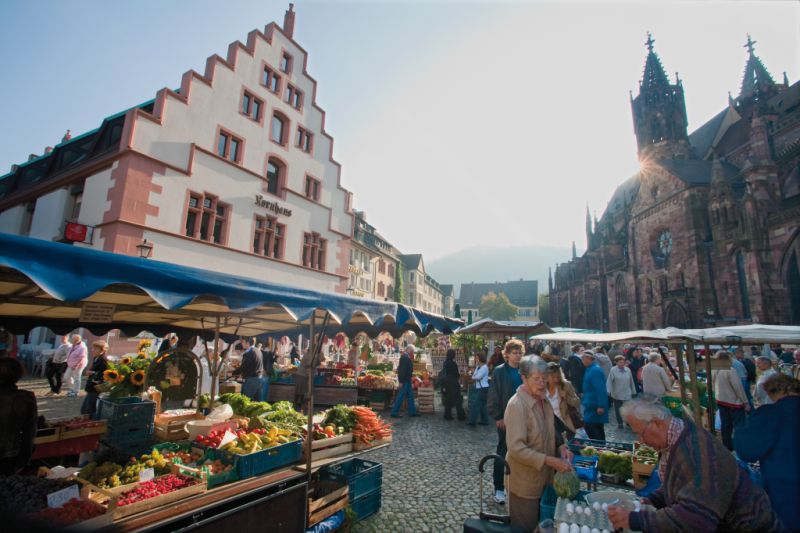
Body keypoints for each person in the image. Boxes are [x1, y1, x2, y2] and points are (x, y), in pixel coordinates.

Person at [608, 398, 783, 533]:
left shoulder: (694, 452)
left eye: (641, 433)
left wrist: (636, 519)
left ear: (658, 424)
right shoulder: (677, 438)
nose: (641, 441)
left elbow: (695, 518)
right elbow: (682, 484)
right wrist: (652, 500)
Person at [504, 355, 573, 532]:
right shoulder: (516, 405)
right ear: (523, 378)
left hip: (545, 479)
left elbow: (553, 429)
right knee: (525, 527)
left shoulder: (544, 400)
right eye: (536, 379)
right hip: (525, 483)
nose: (542, 383)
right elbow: (516, 449)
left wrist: (561, 446)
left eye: (544, 378)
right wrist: (550, 461)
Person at [735, 374, 800, 531]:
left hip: (784, 488)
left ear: (776, 391)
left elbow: (748, 450)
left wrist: (738, 433)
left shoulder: (771, 413)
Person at [487, 339, 524, 505]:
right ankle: (499, 488)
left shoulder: (525, 371)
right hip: (506, 418)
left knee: (521, 452)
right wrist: (497, 416)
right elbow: (493, 395)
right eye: (514, 353)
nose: (517, 356)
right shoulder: (499, 371)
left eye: (519, 353)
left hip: (523, 418)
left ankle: (518, 486)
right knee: (502, 452)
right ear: (507, 354)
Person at [0, 358, 37, 475]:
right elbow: (30, 433)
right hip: (11, 456)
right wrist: (24, 459)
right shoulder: (26, 398)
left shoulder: (26, 398)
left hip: (10, 454)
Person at [712, 351, 750, 451]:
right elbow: (738, 387)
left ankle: (727, 446)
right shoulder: (730, 370)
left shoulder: (715, 370)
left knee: (726, 425)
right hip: (733, 402)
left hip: (721, 400)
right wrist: (745, 402)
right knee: (739, 426)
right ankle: (740, 446)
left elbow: (712, 385)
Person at [545, 362, 581, 439]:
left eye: (558, 377)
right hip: (548, 427)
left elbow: (577, 402)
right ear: (546, 376)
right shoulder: (542, 388)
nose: (556, 380)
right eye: (553, 377)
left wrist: (566, 397)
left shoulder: (566, 385)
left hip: (565, 425)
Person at [580, 350, 608, 440]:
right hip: (590, 404)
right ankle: (602, 449)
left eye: (583, 358)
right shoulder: (591, 369)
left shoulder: (595, 370)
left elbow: (600, 389)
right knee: (597, 429)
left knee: (592, 429)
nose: (582, 360)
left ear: (589, 359)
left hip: (594, 406)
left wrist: (601, 406)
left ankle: (600, 449)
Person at [606, 355, 637, 429]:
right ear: (616, 363)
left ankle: (628, 422)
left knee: (628, 409)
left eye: (623, 362)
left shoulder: (628, 370)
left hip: (627, 392)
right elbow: (609, 381)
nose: (622, 364)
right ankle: (620, 423)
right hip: (617, 393)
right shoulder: (613, 370)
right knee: (618, 409)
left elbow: (631, 381)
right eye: (620, 362)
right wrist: (608, 391)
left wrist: (633, 391)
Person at [81, 340, 109, 418]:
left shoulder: (103, 360)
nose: (93, 350)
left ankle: (92, 423)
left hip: (96, 387)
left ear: (102, 350)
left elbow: (104, 374)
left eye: (95, 349)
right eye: (93, 348)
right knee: (85, 408)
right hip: (91, 386)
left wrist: (92, 373)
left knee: (90, 408)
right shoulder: (96, 358)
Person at [389, 345, 418, 418]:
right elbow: (402, 371)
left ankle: (412, 412)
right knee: (401, 396)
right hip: (405, 381)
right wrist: (401, 381)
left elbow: (404, 370)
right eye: (412, 351)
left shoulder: (406, 357)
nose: (413, 352)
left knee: (410, 396)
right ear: (409, 350)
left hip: (407, 380)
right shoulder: (405, 357)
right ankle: (394, 412)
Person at [294, 344, 325, 412]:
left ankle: (301, 405)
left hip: (304, 374)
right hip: (302, 374)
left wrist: (320, 353)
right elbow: (309, 365)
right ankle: (298, 405)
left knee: (302, 390)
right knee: (300, 390)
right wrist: (308, 375)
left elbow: (322, 359)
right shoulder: (309, 354)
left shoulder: (312, 354)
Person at [442, 349, 466, 421]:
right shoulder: (453, 363)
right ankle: (461, 416)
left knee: (448, 399)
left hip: (447, 382)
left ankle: (447, 415)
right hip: (453, 382)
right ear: (453, 355)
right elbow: (456, 374)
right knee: (458, 399)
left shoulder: (445, 362)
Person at [467, 352, 490, 426]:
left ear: (480, 358)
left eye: (477, 358)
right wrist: (474, 376)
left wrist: (474, 376)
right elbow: (474, 376)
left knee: (476, 405)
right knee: (482, 405)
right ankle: (485, 421)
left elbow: (477, 377)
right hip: (480, 387)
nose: (475, 359)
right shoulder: (478, 366)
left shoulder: (484, 367)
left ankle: (472, 421)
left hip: (483, 388)